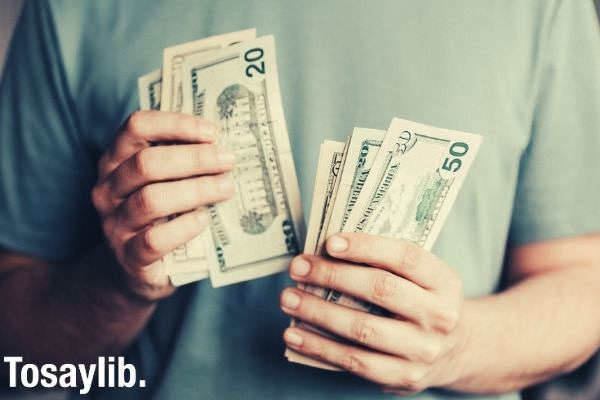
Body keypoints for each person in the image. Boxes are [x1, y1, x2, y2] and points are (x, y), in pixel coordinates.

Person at [1, 1, 599, 399]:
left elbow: (582, 283)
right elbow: (18, 347)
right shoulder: (73, 9)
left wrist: (456, 345)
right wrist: (116, 282)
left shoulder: (539, 8)